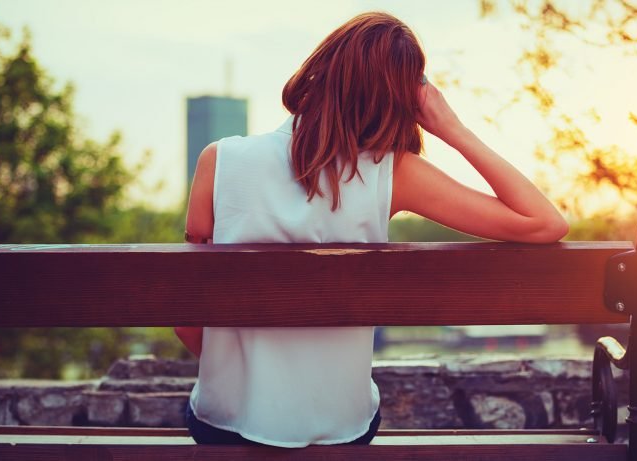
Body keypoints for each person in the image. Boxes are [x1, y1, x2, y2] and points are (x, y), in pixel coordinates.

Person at [175, 11, 568, 447]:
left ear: (317, 69)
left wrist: (253, 383)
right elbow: (545, 223)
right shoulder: (393, 173)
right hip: (344, 427)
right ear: (404, 100)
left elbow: (186, 319)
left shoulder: (220, 161)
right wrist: (452, 128)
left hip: (227, 422)